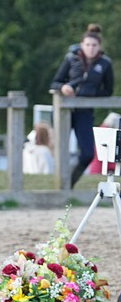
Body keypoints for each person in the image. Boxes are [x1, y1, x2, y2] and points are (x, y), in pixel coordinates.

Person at [50, 25, 115, 187]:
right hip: (65, 111)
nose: (91, 48)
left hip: (84, 112)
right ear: (82, 45)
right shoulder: (71, 59)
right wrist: (63, 87)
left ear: (99, 46)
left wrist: (89, 95)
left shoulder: (105, 64)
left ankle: (69, 183)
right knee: (60, 150)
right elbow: (55, 82)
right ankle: (59, 185)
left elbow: (108, 91)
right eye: (87, 45)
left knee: (88, 153)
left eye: (94, 45)